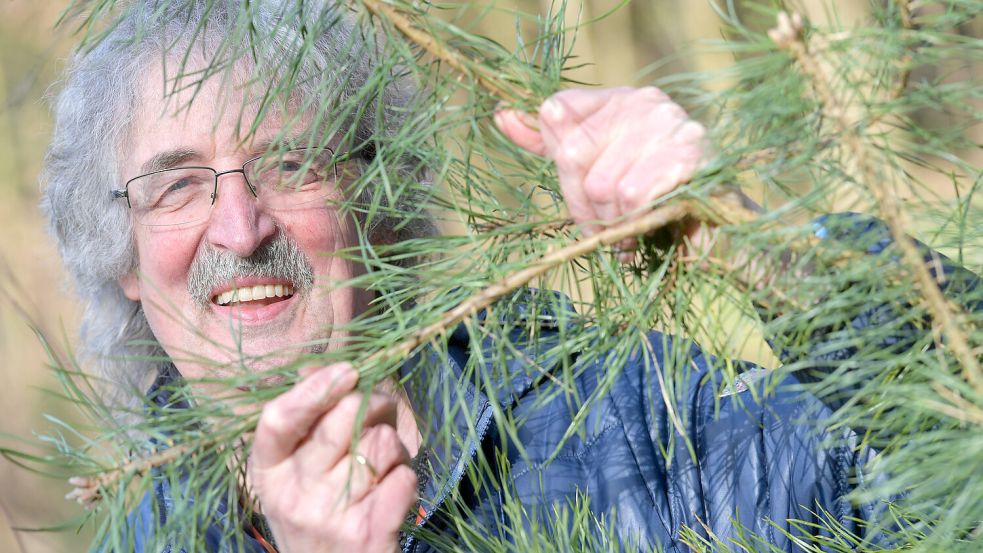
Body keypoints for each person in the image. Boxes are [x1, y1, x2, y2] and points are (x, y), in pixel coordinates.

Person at [40, 2, 978, 553]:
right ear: (116, 255)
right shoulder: (140, 524)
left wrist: (754, 246)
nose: (240, 230)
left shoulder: (636, 428)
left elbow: (948, 475)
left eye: (293, 163)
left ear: (379, 205)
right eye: (177, 185)